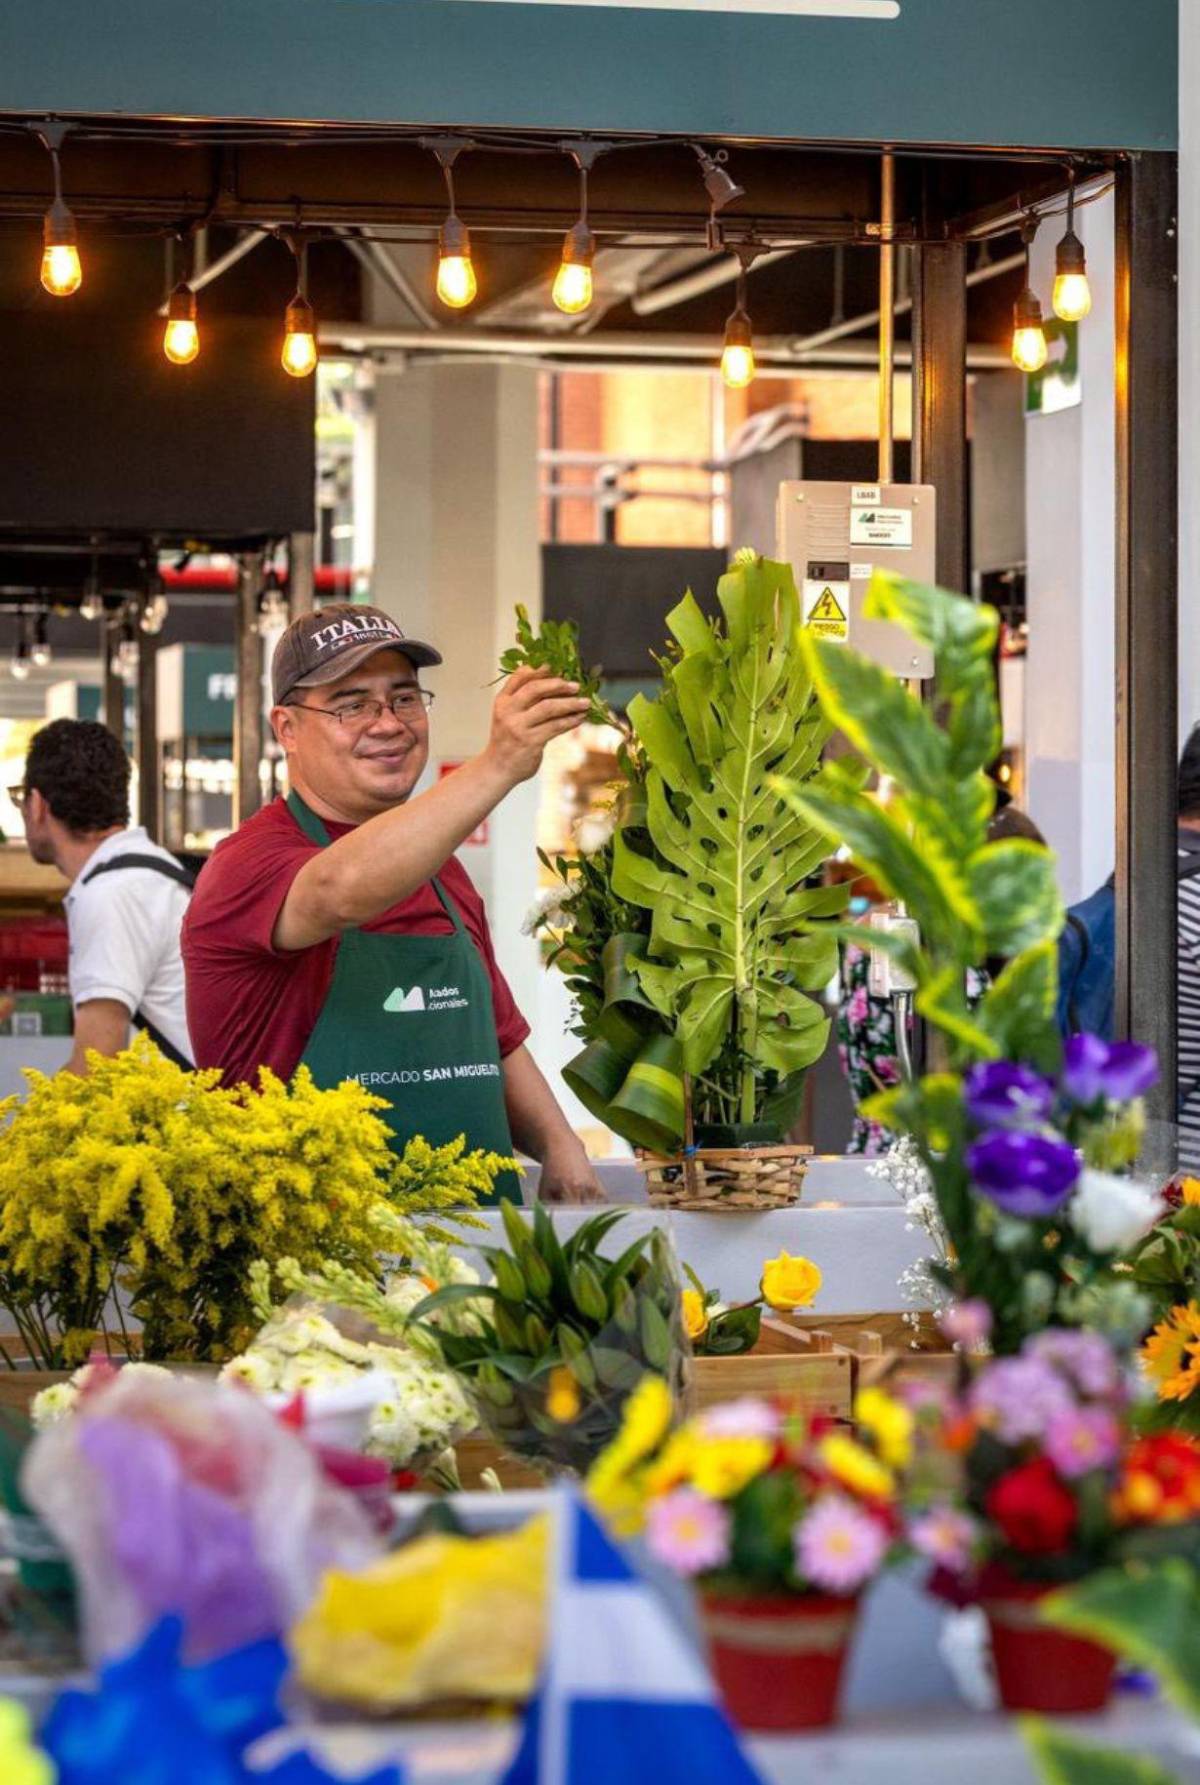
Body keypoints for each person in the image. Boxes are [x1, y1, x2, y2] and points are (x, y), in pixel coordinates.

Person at [182, 602, 603, 1205]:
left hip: (478, 1252)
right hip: (318, 1262)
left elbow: (496, 1038)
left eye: (404, 698)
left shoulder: (443, 873)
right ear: (287, 729)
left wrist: (563, 1146)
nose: (387, 723)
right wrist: (499, 763)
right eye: (351, 705)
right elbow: (341, 890)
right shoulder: (247, 865)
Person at [18, 719, 194, 1074]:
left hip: (184, 1118)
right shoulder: (150, 871)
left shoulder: (110, 894)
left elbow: (95, 1064)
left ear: (37, 805)